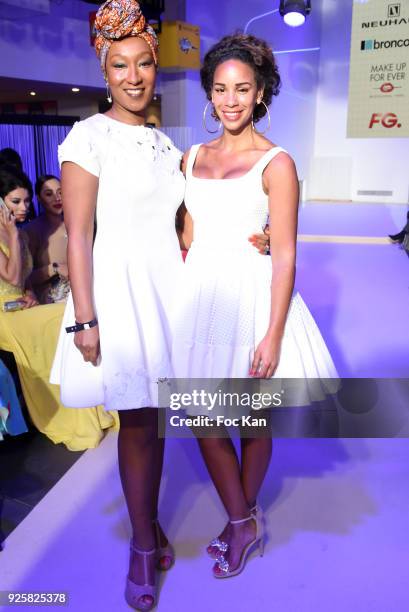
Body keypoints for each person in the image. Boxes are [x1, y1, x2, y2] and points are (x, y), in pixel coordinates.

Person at [173, 33, 339, 578]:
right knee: (202, 416)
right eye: (221, 89)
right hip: (201, 297)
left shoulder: (278, 162)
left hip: (253, 299)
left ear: (262, 92)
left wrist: (272, 334)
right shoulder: (191, 157)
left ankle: (239, 523)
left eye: (243, 88)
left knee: (249, 418)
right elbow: (186, 235)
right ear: (209, 93)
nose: (231, 100)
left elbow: (286, 255)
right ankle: (244, 518)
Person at [50, 2, 185, 609]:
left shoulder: (163, 142)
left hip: (167, 293)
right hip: (118, 294)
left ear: (156, 66)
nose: (133, 77)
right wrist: (85, 318)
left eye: (144, 64)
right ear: (104, 72)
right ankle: (139, 543)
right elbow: (79, 234)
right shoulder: (88, 136)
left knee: (153, 422)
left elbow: (184, 224)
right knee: (135, 423)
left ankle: (150, 523)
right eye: (119, 65)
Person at [0, 168, 116, 451]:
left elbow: (22, 281)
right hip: (2, 316)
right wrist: (13, 234)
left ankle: (93, 405)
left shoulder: (22, 235)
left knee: (65, 315)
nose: (23, 207)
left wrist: (28, 295)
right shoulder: (17, 233)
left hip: (20, 308)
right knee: (60, 318)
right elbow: (11, 277)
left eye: (27, 201)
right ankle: (74, 413)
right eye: (15, 202)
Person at [26, 175, 70, 304]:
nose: (57, 198)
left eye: (60, 192)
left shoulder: (74, 223)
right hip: (53, 299)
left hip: (81, 290)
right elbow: (25, 278)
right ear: (39, 199)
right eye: (49, 194)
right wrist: (55, 268)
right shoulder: (32, 230)